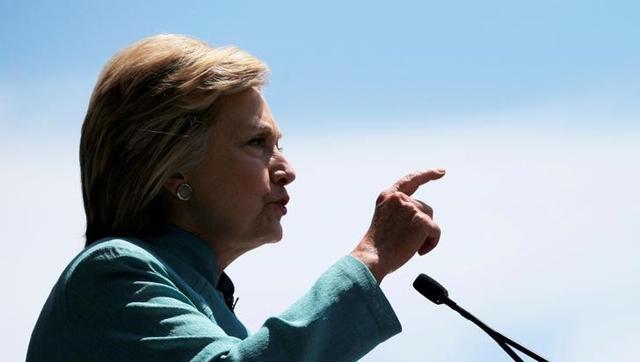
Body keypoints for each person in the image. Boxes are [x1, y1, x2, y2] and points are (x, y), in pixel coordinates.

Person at [26, 34, 445, 361]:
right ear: (173, 170)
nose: (287, 169)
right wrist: (372, 256)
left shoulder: (201, 299)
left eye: (278, 142)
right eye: (257, 142)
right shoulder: (113, 275)